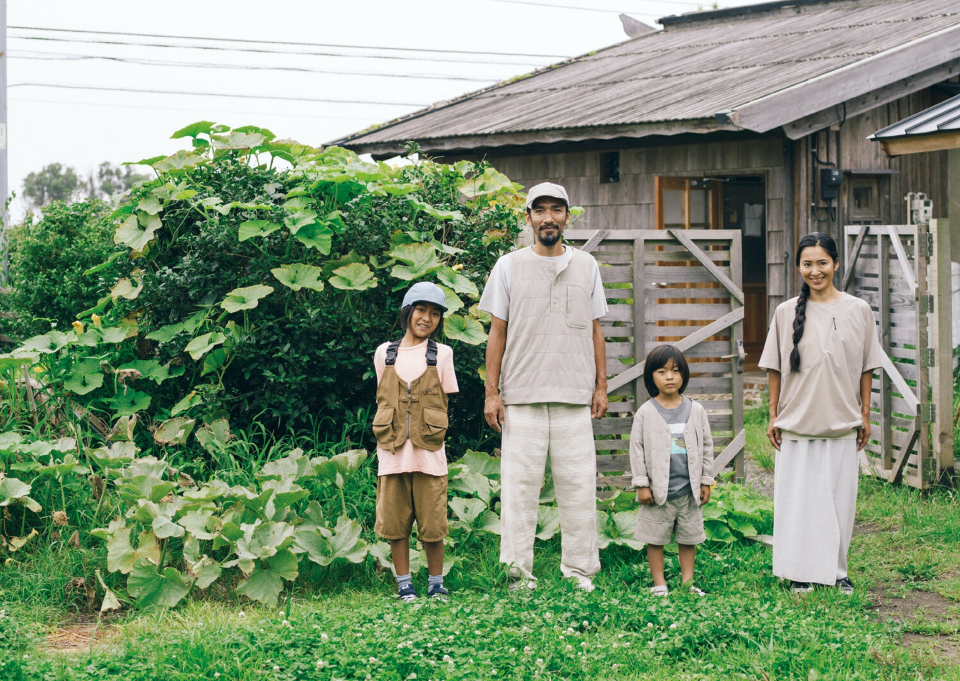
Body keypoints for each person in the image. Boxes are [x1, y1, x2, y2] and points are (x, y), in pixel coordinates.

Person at [479, 181, 608, 592]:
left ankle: (580, 571)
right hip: (522, 397)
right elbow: (496, 332)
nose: (548, 217)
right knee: (519, 492)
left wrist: (601, 387)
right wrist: (491, 392)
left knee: (579, 489)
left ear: (567, 216)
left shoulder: (587, 266)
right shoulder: (508, 266)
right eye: (540, 210)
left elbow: (595, 330)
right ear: (529, 217)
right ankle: (517, 573)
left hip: (575, 397)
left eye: (557, 210)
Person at [758, 232, 883, 595]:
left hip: (842, 422)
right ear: (798, 267)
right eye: (807, 264)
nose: (815, 271)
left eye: (822, 263)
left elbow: (866, 368)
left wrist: (865, 414)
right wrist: (772, 415)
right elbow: (774, 369)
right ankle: (798, 571)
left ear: (836, 264)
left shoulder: (858, 309)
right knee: (798, 502)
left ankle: (836, 570)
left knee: (838, 503)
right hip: (797, 422)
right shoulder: (785, 313)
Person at [371, 281, 459, 602]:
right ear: (408, 311)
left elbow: (444, 400)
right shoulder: (385, 353)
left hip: (430, 456)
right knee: (395, 525)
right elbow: (385, 394)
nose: (427, 318)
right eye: (421, 310)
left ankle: (436, 582)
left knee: (434, 525)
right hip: (392, 455)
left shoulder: (443, 354)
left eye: (435, 314)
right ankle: (404, 583)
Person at [629, 345, 715, 596]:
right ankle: (659, 584)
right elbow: (636, 449)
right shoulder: (645, 412)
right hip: (657, 493)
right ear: (650, 377)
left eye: (676, 371)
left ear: (684, 375)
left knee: (689, 539)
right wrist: (642, 484)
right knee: (655, 539)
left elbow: (707, 446)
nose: (669, 377)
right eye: (662, 371)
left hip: (689, 491)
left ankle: (687, 583)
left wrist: (706, 480)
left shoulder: (696, 410)